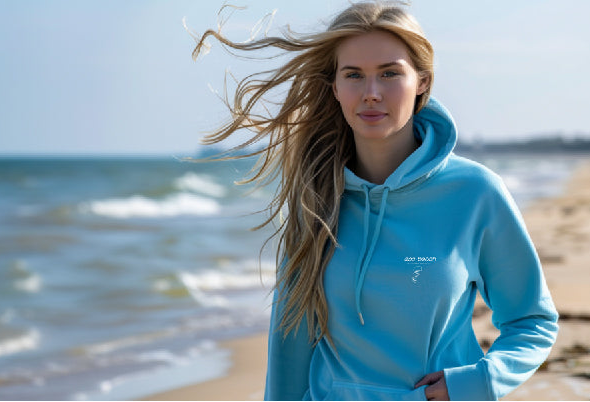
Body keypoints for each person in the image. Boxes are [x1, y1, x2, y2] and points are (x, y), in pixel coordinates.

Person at [190, 2, 558, 400]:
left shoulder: (475, 193)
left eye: (389, 73)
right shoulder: (316, 194)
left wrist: (478, 382)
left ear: (422, 81)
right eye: (354, 75)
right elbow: (291, 337)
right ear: (335, 87)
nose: (371, 93)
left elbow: (532, 320)